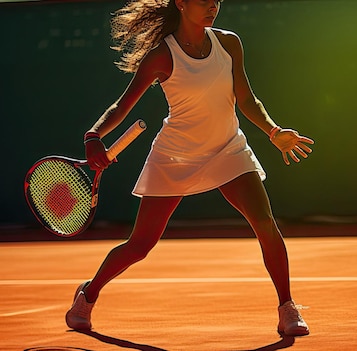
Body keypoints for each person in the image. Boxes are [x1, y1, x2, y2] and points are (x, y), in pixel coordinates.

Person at [65, 0, 313, 337]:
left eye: (217, 0)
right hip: (175, 156)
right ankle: (88, 294)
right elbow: (122, 105)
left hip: (228, 148)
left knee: (265, 223)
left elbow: (246, 98)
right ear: (181, 3)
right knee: (140, 245)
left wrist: (273, 131)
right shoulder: (161, 56)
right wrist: (93, 135)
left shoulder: (228, 43)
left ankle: (287, 307)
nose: (213, 5)